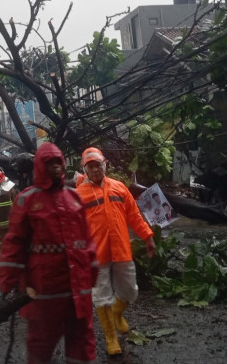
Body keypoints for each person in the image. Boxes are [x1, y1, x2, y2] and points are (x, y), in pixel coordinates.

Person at [0, 142, 98, 364]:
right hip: (43, 291)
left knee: (82, 343)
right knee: (41, 344)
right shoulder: (27, 199)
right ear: (40, 167)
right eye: (49, 163)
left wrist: (93, 270)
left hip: (77, 290)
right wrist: (8, 281)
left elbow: (87, 239)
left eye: (58, 162)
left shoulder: (73, 198)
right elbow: (13, 242)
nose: (55, 167)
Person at [75, 146, 156, 356]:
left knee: (130, 291)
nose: (95, 170)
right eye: (90, 167)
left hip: (121, 249)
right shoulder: (78, 195)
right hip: (96, 254)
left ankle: (117, 313)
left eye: (98, 165)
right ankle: (111, 339)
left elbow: (134, 216)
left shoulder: (119, 188)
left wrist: (147, 236)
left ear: (105, 165)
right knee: (101, 296)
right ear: (84, 170)